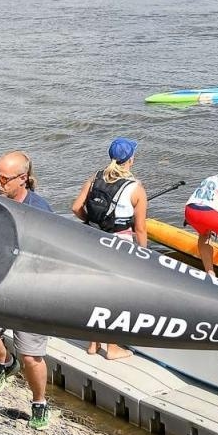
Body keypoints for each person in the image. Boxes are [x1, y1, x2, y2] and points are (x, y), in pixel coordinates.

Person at [0, 151, 54, 430]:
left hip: (30, 291)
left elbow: (50, 256)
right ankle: (6, 362)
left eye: (4, 178)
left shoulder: (40, 210)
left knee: (32, 357)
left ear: (23, 179)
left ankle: (39, 402)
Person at [71, 137, 148, 359]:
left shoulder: (95, 178)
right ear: (131, 160)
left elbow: (76, 207)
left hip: (94, 241)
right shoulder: (136, 189)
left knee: (97, 293)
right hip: (120, 245)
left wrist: (90, 222)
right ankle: (112, 348)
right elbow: (141, 229)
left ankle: (93, 344)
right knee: (116, 297)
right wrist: (144, 255)